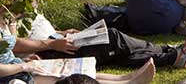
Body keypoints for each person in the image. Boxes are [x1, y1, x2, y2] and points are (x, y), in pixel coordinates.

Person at [1, 31, 157, 84]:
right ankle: (129, 83)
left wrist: (25, 61)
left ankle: (125, 78)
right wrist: (25, 67)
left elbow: (14, 45)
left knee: (70, 67)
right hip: (9, 76)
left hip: (17, 66)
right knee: (67, 79)